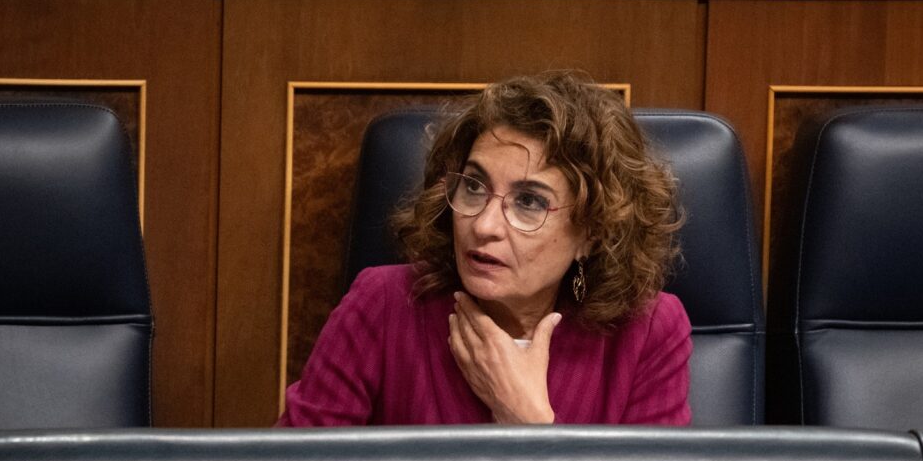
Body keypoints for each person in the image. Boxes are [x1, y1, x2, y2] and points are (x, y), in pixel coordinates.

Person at [277, 71, 691, 426]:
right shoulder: (383, 305)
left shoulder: (647, 331)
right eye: (474, 186)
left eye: (529, 201)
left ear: (593, 231)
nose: (484, 224)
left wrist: (529, 423)